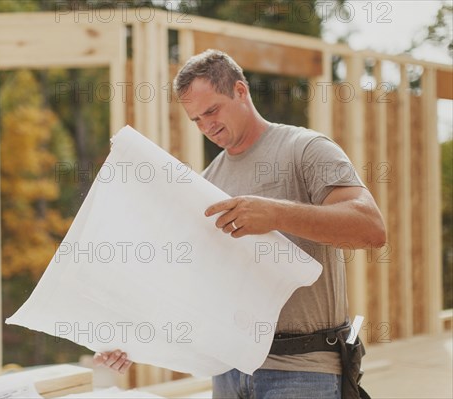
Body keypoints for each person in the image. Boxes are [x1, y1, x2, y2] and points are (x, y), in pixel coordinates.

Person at [94, 49, 386, 398]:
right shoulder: (208, 182)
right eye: (196, 120)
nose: (207, 126)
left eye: (212, 110)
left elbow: (370, 229)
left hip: (302, 373)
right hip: (230, 372)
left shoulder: (305, 149)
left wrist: (276, 214)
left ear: (240, 91)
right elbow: (188, 282)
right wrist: (130, 339)